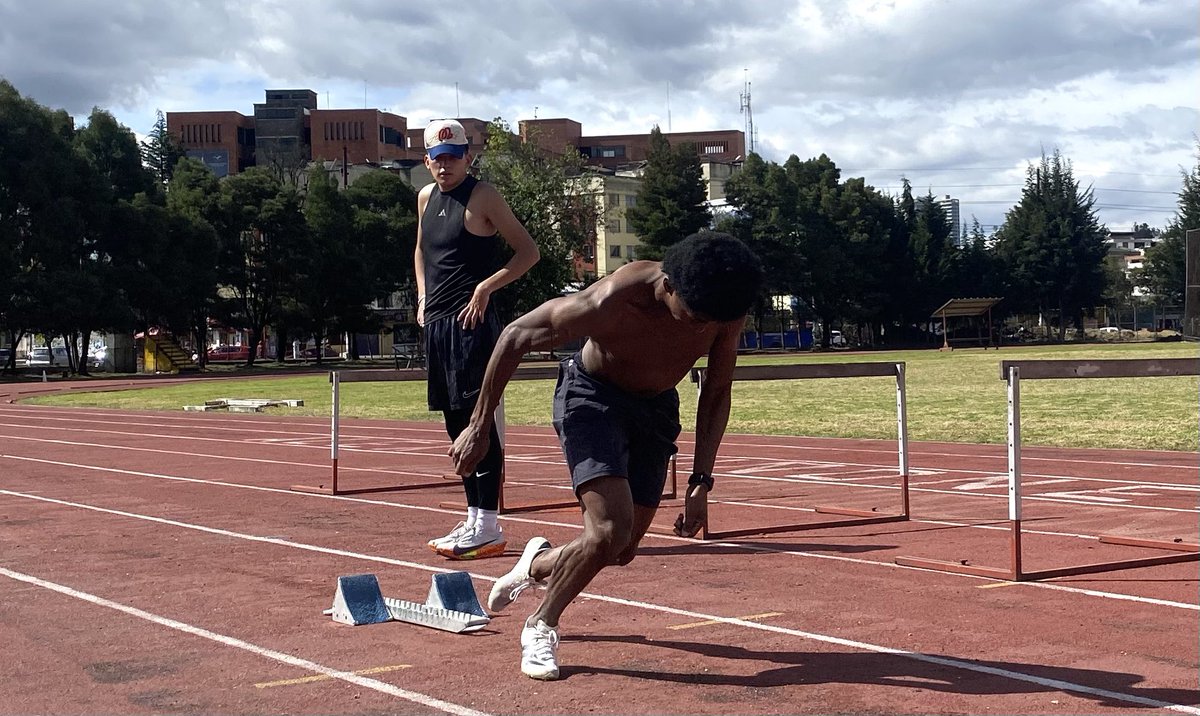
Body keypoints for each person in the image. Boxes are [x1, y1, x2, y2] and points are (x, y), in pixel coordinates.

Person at [449, 231, 763, 679]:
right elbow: (515, 335)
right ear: (669, 286)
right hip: (592, 398)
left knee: (621, 549)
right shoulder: (613, 299)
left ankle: (534, 565)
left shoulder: (721, 306)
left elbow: (716, 390)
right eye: (694, 317)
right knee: (607, 531)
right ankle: (540, 624)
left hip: (654, 409)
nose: (700, 328)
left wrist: (701, 481)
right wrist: (479, 426)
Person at [416, 118, 540, 560]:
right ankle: (474, 517)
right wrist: (422, 297)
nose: (445, 165)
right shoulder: (425, 197)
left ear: (468, 156)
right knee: (454, 423)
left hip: (472, 326)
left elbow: (528, 252)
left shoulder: (484, 196)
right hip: (438, 324)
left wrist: (486, 287)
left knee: (477, 421)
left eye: (453, 157)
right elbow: (421, 251)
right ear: (427, 160)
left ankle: (488, 524)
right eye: (437, 158)